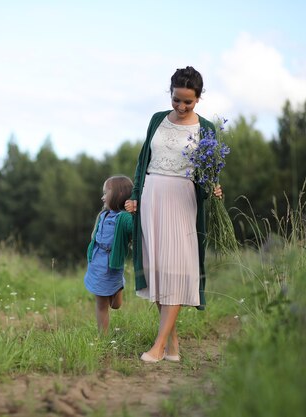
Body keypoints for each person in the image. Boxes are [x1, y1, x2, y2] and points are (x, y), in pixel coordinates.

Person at [124, 66, 223, 362]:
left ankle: (158, 345)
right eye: (176, 100)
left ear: (198, 99)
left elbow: (209, 171)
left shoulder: (206, 128)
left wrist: (213, 188)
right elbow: (144, 160)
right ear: (170, 93)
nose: (181, 107)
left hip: (182, 201)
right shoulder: (156, 120)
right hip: (152, 195)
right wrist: (134, 195)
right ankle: (173, 343)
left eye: (187, 102)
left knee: (177, 270)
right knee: (157, 270)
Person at [84, 175, 134, 334]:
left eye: (106, 193)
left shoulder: (124, 218)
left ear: (118, 195)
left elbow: (135, 228)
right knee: (101, 304)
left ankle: (119, 286)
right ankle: (103, 338)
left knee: (116, 305)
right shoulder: (103, 215)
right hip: (98, 262)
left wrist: (136, 210)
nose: (102, 197)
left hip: (113, 264)